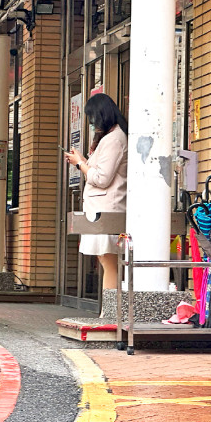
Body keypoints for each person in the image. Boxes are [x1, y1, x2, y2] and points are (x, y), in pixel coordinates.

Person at [64, 93, 128, 297]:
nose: (92, 124)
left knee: (108, 260)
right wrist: (83, 161)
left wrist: (80, 164)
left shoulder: (114, 140)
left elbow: (102, 178)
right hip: (104, 208)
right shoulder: (113, 137)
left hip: (107, 208)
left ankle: (109, 312)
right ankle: (110, 310)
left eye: (92, 119)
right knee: (106, 259)